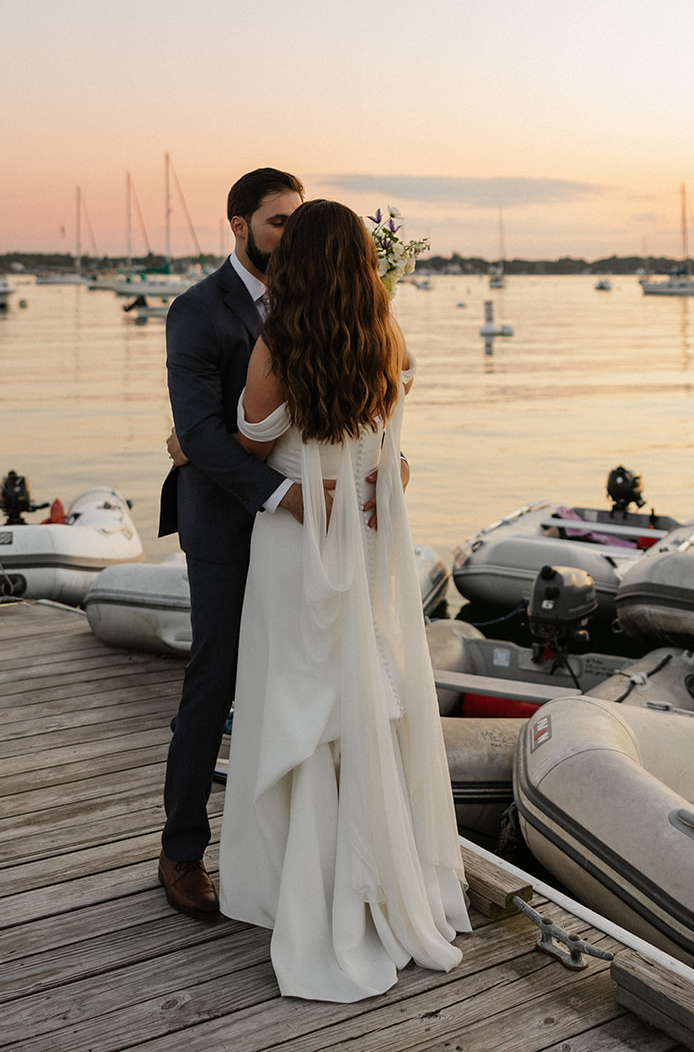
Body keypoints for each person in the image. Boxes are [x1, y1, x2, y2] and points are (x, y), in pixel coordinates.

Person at [219, 199, 469, 1001]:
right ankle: (366, 877)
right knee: (356, 695)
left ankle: (303, 884)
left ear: (295, 260)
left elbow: (252, 442)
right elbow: (391, 448)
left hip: (296, 542)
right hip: (360, 538)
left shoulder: (278, 343)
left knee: (296, 697)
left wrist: (189, 440)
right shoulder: (385, 335)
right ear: (363, 260)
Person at [157, 167, 305, 918]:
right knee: (213, 681)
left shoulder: (313, 299)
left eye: (297, 221)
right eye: (277, 221)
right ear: (239, 226)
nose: (289, 235)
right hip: (226, 522)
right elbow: (199, 434)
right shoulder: (195, 310)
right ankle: (181, 849)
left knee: (297, 678)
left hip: (302, 526)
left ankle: (290, 847)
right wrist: (283, 494)